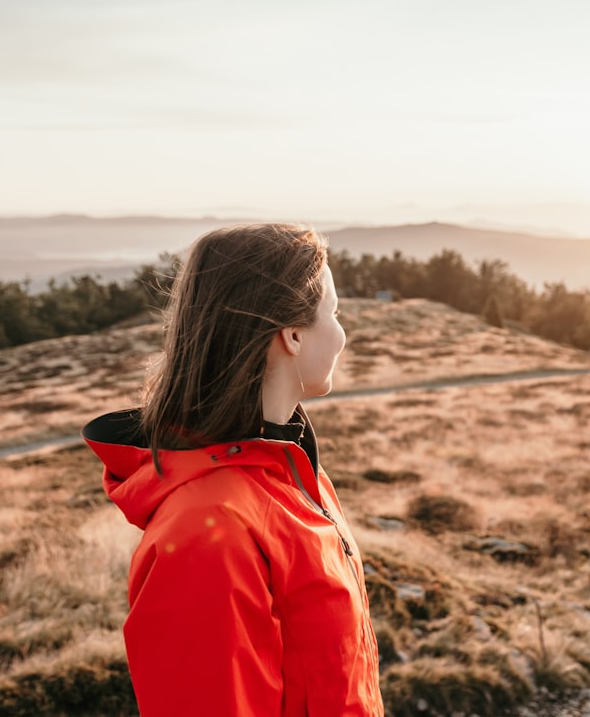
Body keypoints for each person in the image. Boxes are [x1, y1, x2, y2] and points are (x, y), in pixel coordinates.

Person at [81, 223, 383, 716]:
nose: (343, 333)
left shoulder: (292, 475)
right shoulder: (210, 533)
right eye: (335, 313)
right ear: (292, 335)